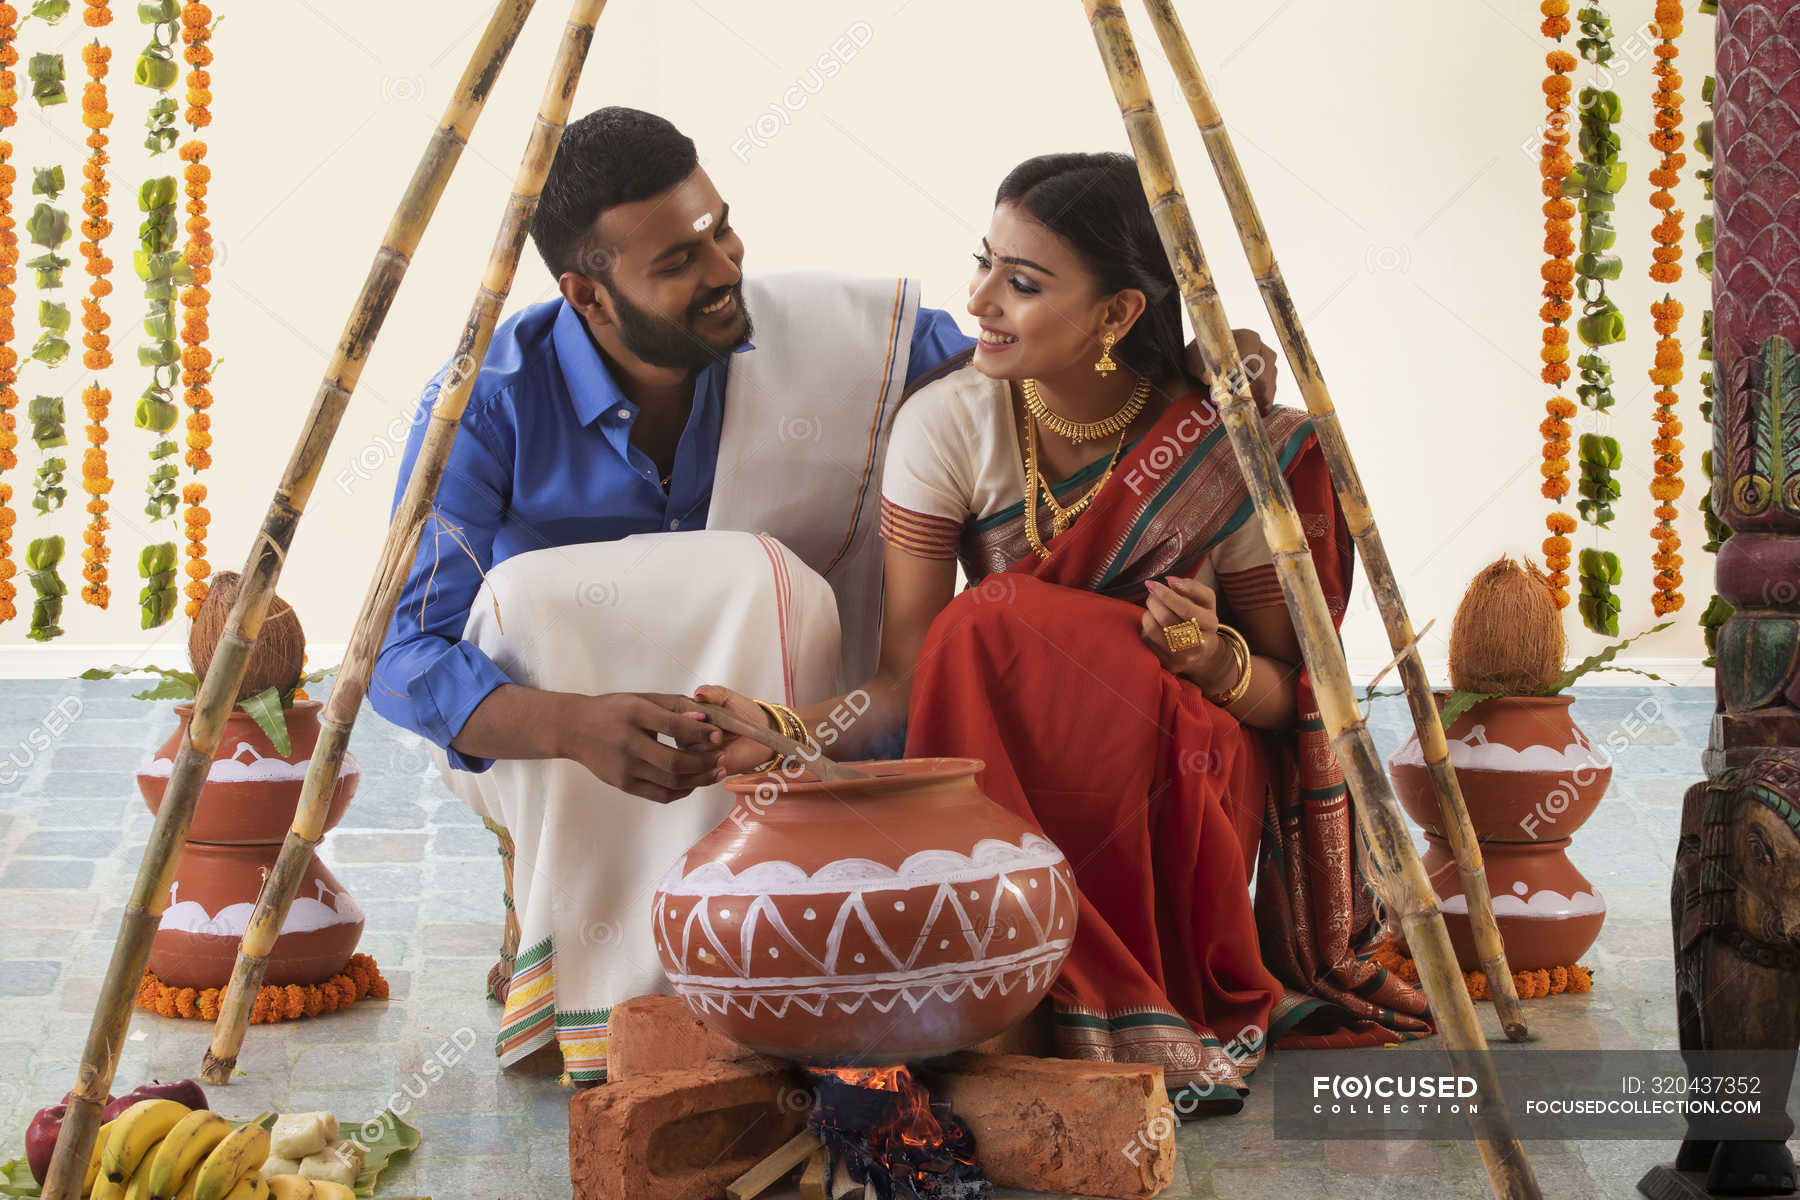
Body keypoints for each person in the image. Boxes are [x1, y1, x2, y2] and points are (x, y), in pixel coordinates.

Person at [370, 106, 1275, 1084]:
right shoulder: (489, 403)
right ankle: (619, 992)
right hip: (554, 741)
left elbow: (1030, 352)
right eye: (679, 260)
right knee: (587, 594)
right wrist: (571, 723)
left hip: (787, 709)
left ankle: (751, 968)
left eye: (721, 227)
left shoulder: (834, 344)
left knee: (759, 578)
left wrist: (1179, 362)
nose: (724, 267)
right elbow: (401, 650)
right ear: (588, 295)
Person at [698, 152, 1430, 1108]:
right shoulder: (950, 426)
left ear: (1119, 314)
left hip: (1186, 779)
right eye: (984, 263)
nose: (979, 300)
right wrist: (795, 730)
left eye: (1023, 282)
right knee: (988, 628)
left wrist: (1214, 659)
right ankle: (1026, 987)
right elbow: (921, 675)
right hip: (1018, 763)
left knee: (995, 617)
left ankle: (1082, 996)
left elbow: (1297, 701)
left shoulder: (1223, 444)